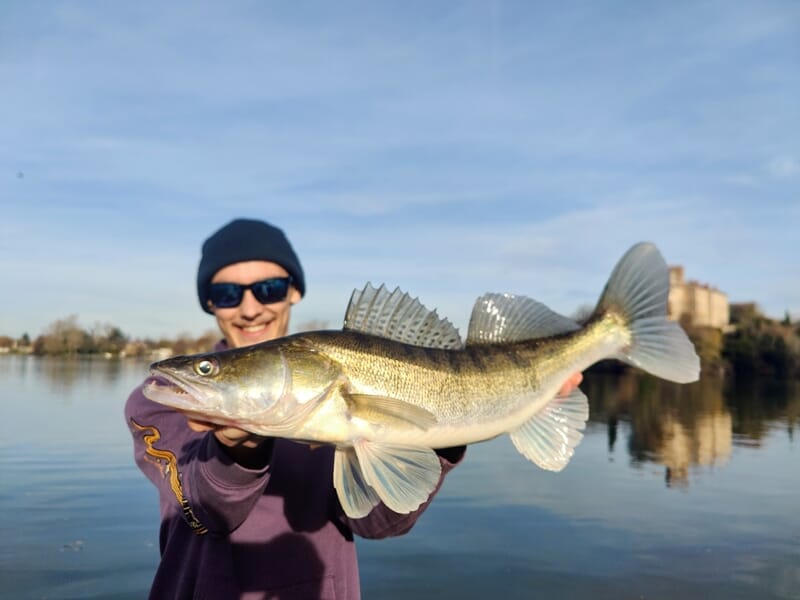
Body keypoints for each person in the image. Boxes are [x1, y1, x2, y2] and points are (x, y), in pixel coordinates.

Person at [126, 218, 582, 599]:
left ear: (294, 292)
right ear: (210, 303)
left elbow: (381, 521)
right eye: (227, 294)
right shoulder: (162, 404)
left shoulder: (333, 402)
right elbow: (204, 508)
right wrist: (236, 452)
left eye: (268, 288)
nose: (249, 308)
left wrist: (453, 427)